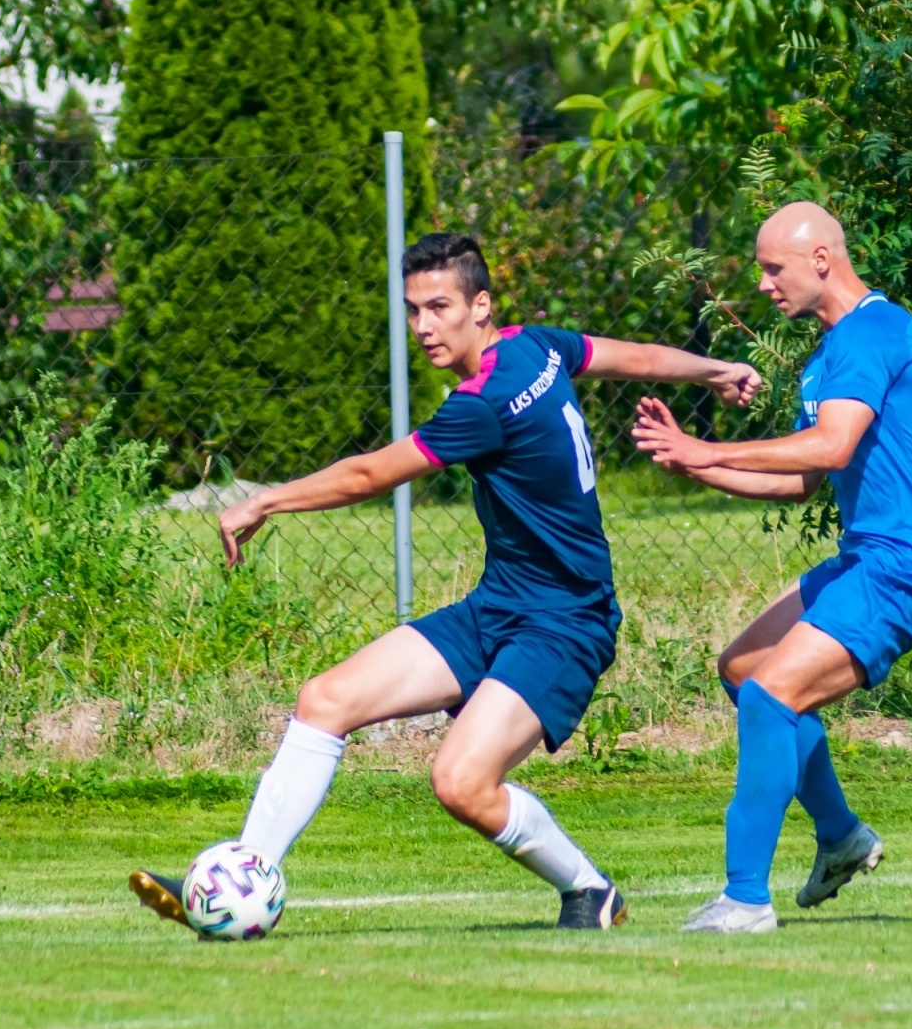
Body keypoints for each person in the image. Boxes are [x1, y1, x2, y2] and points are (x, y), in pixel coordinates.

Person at [131, 232, 761, 930]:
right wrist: (712, 370)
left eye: (438, 307)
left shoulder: (484, 401)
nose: (424, 326)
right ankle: (239, 883)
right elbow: (635, 358)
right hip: (498, 607)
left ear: (479, 305)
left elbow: (370, 473)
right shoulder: (535, 346)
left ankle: (590, 890)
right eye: (412, 310)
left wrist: (266, 498)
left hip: (565, 624)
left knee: (461, 782)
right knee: (325, 699)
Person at [634, 202, 912, 933]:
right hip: (872, 558)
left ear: (821, 258)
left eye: (771, 267)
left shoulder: (871, 334)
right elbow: (800, 478)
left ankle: (745, 899)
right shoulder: (831, 351)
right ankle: (842, 835)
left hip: (907, 568)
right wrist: (693, 462)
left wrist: (711, 449)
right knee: (744, 668)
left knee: (770, 696)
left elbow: (831, 447)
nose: (761, 284)